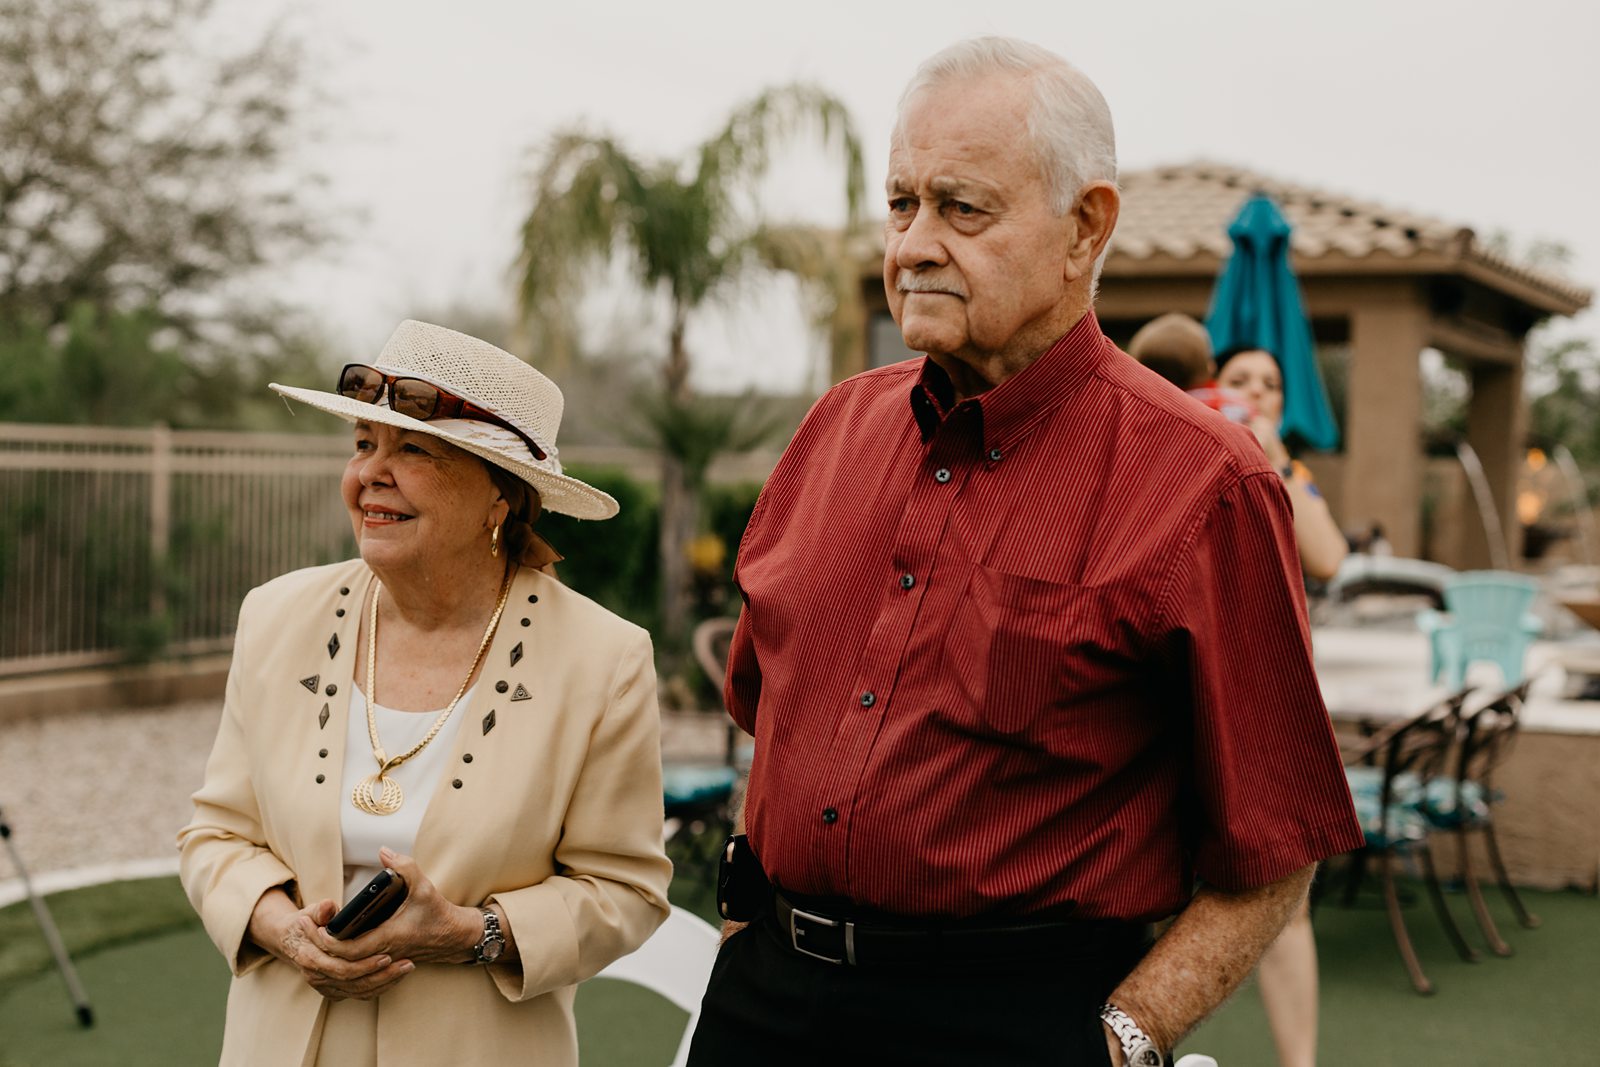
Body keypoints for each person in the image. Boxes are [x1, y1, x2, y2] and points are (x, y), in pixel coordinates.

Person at [686, 37, 1363, 1067]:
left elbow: (1275, 851)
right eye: (900, 202)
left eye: (962, 209)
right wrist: (746, 919)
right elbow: (768, 715)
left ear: (1085, 228)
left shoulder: (1204, 486)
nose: (913, 243)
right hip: (766, 998)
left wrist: (1121, 1040)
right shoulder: (831, 431)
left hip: (1011, 1019)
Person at [178, 320, 672, 1067]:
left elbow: (626, 890)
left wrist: (475, 934)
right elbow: (214, 835)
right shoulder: (275, 617)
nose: (371, 473)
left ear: (500, 497)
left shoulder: (605, 661)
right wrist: (282, 928)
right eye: (362, 444)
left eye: (412, 449)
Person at [1215, 345, 1348, 583]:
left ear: (1281, 406)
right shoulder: (1189, 461)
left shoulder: (1293, 472)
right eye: (1238, 382)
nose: (1257, 391)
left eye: (1271, 385)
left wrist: (1278, 460)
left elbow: (1327, 562)